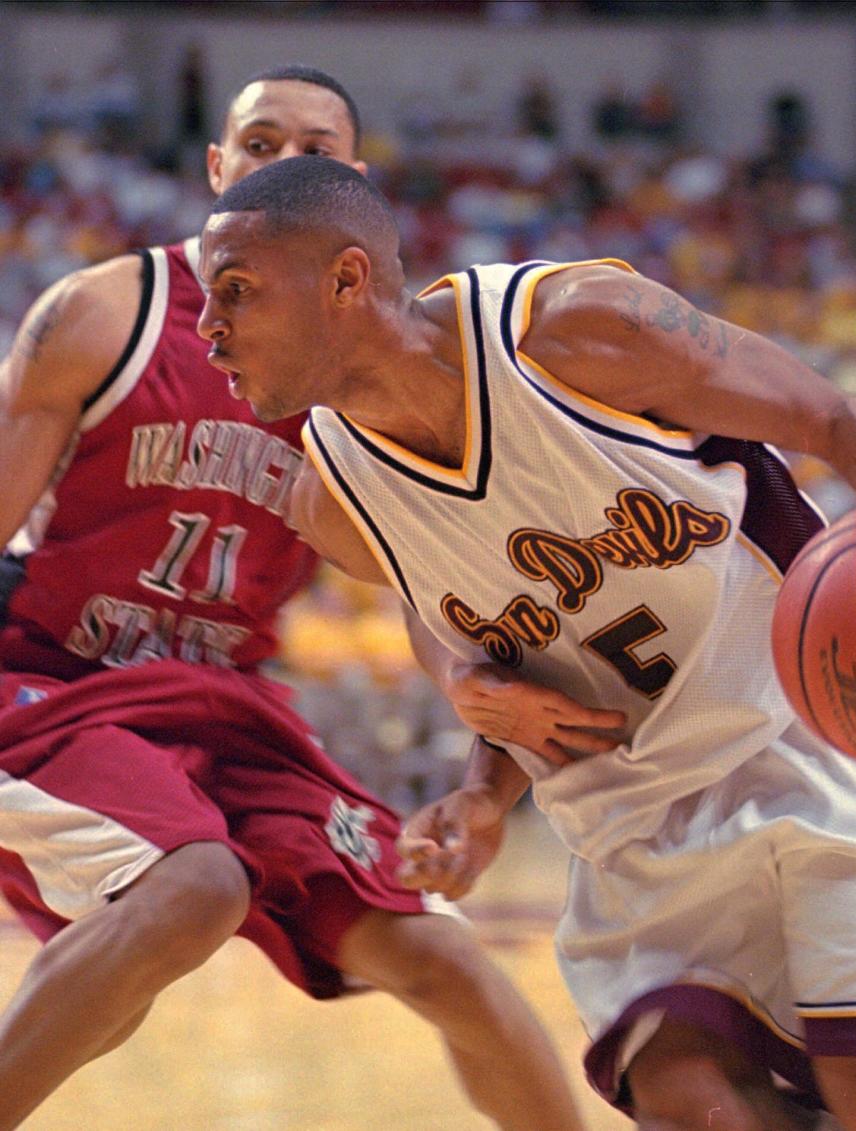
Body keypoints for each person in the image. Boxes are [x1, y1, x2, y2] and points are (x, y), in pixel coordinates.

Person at [197, 153, 856, 1131]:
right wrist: (480, 779)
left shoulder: (576, 333)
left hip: (810, 743)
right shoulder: (333, 502)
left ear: (346, 280)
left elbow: (841, 420)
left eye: (237, 294)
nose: (209, 331)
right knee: (688, 1101)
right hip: (634, 828)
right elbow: (462, 633)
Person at [0, 69, 587, 1131]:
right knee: (197, 887)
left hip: (228, 708)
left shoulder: (363, 375)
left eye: (310, 147)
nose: (280, 160)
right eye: (258, 142)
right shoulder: (103, 313)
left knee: (444, 957)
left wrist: (473, 707)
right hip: (59, 689)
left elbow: (418, 574)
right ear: (218, 169)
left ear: (347, 187)